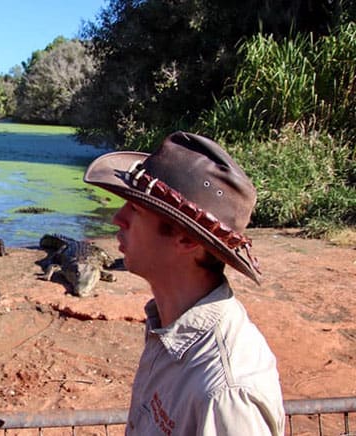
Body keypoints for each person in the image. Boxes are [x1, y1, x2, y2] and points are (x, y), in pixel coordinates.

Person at [83, 132, 285, 435]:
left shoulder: (225, 395)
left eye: (135, 210)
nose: (117, 218)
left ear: (187, 238)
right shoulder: (169, 327)